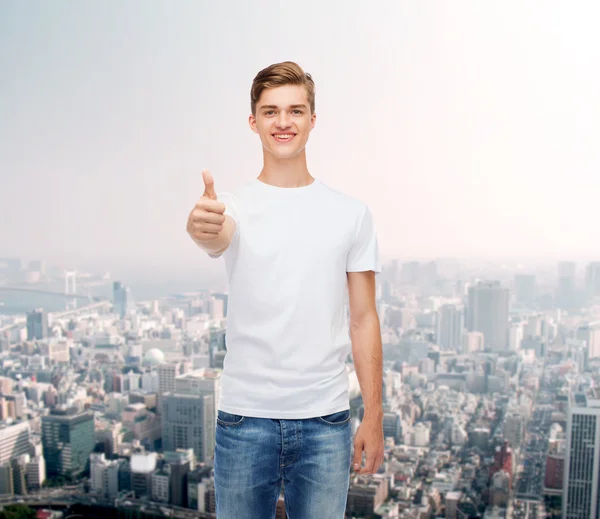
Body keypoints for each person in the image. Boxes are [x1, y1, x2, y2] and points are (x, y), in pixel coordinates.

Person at [186, 61, 384, 519]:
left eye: (295, 110)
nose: (283, 122)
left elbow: (364, 318)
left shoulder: (351, 214)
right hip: (243, 419)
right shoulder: (231, 204)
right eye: (270, 111)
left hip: (326, 421)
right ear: (253, 121)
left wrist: (373, 413)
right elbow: (213, 234)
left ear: (313, 120)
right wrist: (200, 226)